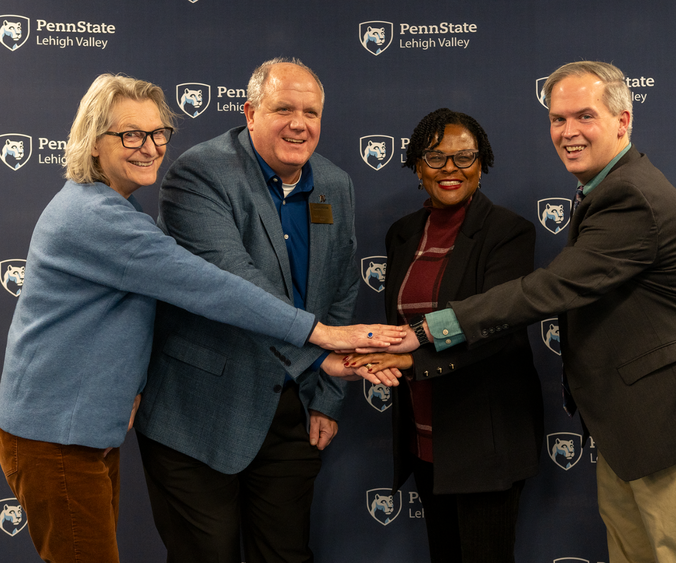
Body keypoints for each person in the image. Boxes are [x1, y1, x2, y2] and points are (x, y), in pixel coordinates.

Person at [0, 74, 400, 563]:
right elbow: (210, 284)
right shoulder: (97, 217)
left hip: (80, 429)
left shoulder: (112, 209)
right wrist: (319, 337)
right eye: (130, 134)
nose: (149, 147)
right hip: (57, 432)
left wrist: (128, 385)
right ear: (93, 141)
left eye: (157, 133)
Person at [380, 61, 676, 563]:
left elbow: (550, 288)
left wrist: (429, 330)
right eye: (557, 119)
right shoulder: (602, 189)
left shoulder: (631, 195)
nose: (568, 132)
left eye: (584, 116)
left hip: (674, 422)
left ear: (623, 121)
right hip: (635, 427)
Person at [134, 58, 372, 563]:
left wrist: (328, 397)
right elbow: (233, 282)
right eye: (283, 108)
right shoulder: (199, 172)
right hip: (197, 412)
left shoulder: (336, 183)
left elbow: (341, 290)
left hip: (292, 411)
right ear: (249, 112)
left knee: (285, 555)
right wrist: (319, 353)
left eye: (310, 112)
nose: (298, 123)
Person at [346, 109, 543, 562]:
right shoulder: (402, 234)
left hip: (485, 439)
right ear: (417, 166)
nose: (450, 169)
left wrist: (414, 361)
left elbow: (497, 326)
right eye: (436, 158)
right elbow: (397, 325)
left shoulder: (508, 232)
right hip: (425, 435)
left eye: (464, 157)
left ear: (482, 164)